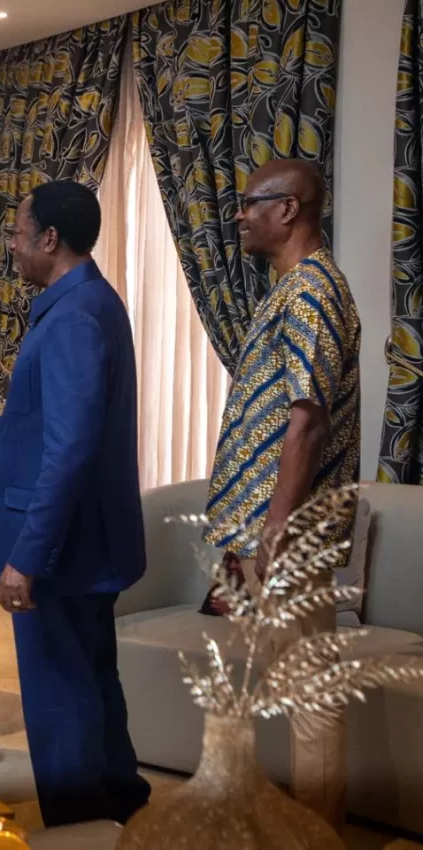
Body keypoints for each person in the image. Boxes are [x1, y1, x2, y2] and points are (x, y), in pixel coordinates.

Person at [0, 180, 150, 827]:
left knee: (59, 699)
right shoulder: (91, 301)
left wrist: (27, 558)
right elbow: (35, 420)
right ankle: (119, 813)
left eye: (18, 234)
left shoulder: (72, 318)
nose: (12, 246)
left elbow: (68, 449)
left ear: (50, 239)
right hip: (89, 546)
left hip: (62, 553)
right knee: (94, 682)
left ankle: (79, 829)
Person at [202, 159, 361, 830]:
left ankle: (318, 839)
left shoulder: (313, 292)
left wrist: (275, 531)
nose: (239, 215)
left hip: (288, 538)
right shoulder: (290, 288)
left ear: (289, 209)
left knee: (309, 698)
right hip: (263, 536)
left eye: (250, 203)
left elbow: (307, 419)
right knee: (258, 695)